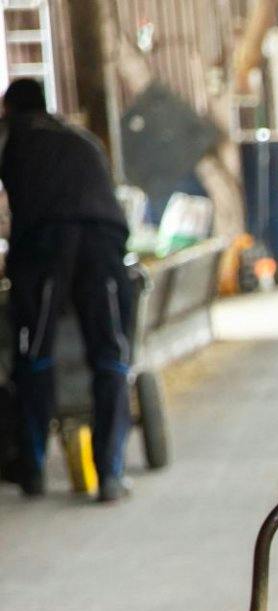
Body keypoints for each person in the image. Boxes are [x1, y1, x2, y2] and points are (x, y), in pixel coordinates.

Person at [0, 78, 135, 502]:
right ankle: (111, 474)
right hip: (103, 239)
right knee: (110, 354)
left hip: (45, 243)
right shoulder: (82, 139)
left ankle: (34, 468)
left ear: (9, 109)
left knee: (35, 352)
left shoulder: (13, 137)